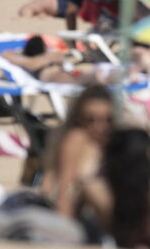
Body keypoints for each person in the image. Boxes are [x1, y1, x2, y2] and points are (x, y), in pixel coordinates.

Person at [45, 84, 114, 217]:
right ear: (79, 118)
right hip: (77, 216)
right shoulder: (77, 139)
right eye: (90, 120)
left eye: (108, 120)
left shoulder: (112, 140)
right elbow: (64, 189)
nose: (100, 127)